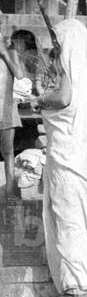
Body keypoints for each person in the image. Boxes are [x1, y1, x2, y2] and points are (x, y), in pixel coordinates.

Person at [35, 20, 87, 297]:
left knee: (69, 215)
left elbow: (64, 97)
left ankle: (78, 281)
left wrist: (41, 99)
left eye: (58, 46)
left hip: (69, 159)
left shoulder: (73, 72)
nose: (56, 52)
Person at [0, 29, 24, 199]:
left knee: (8, 151)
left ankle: (9, 191)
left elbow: (20, 74)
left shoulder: (10, 51)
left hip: (6, 109)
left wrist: (4, 54)